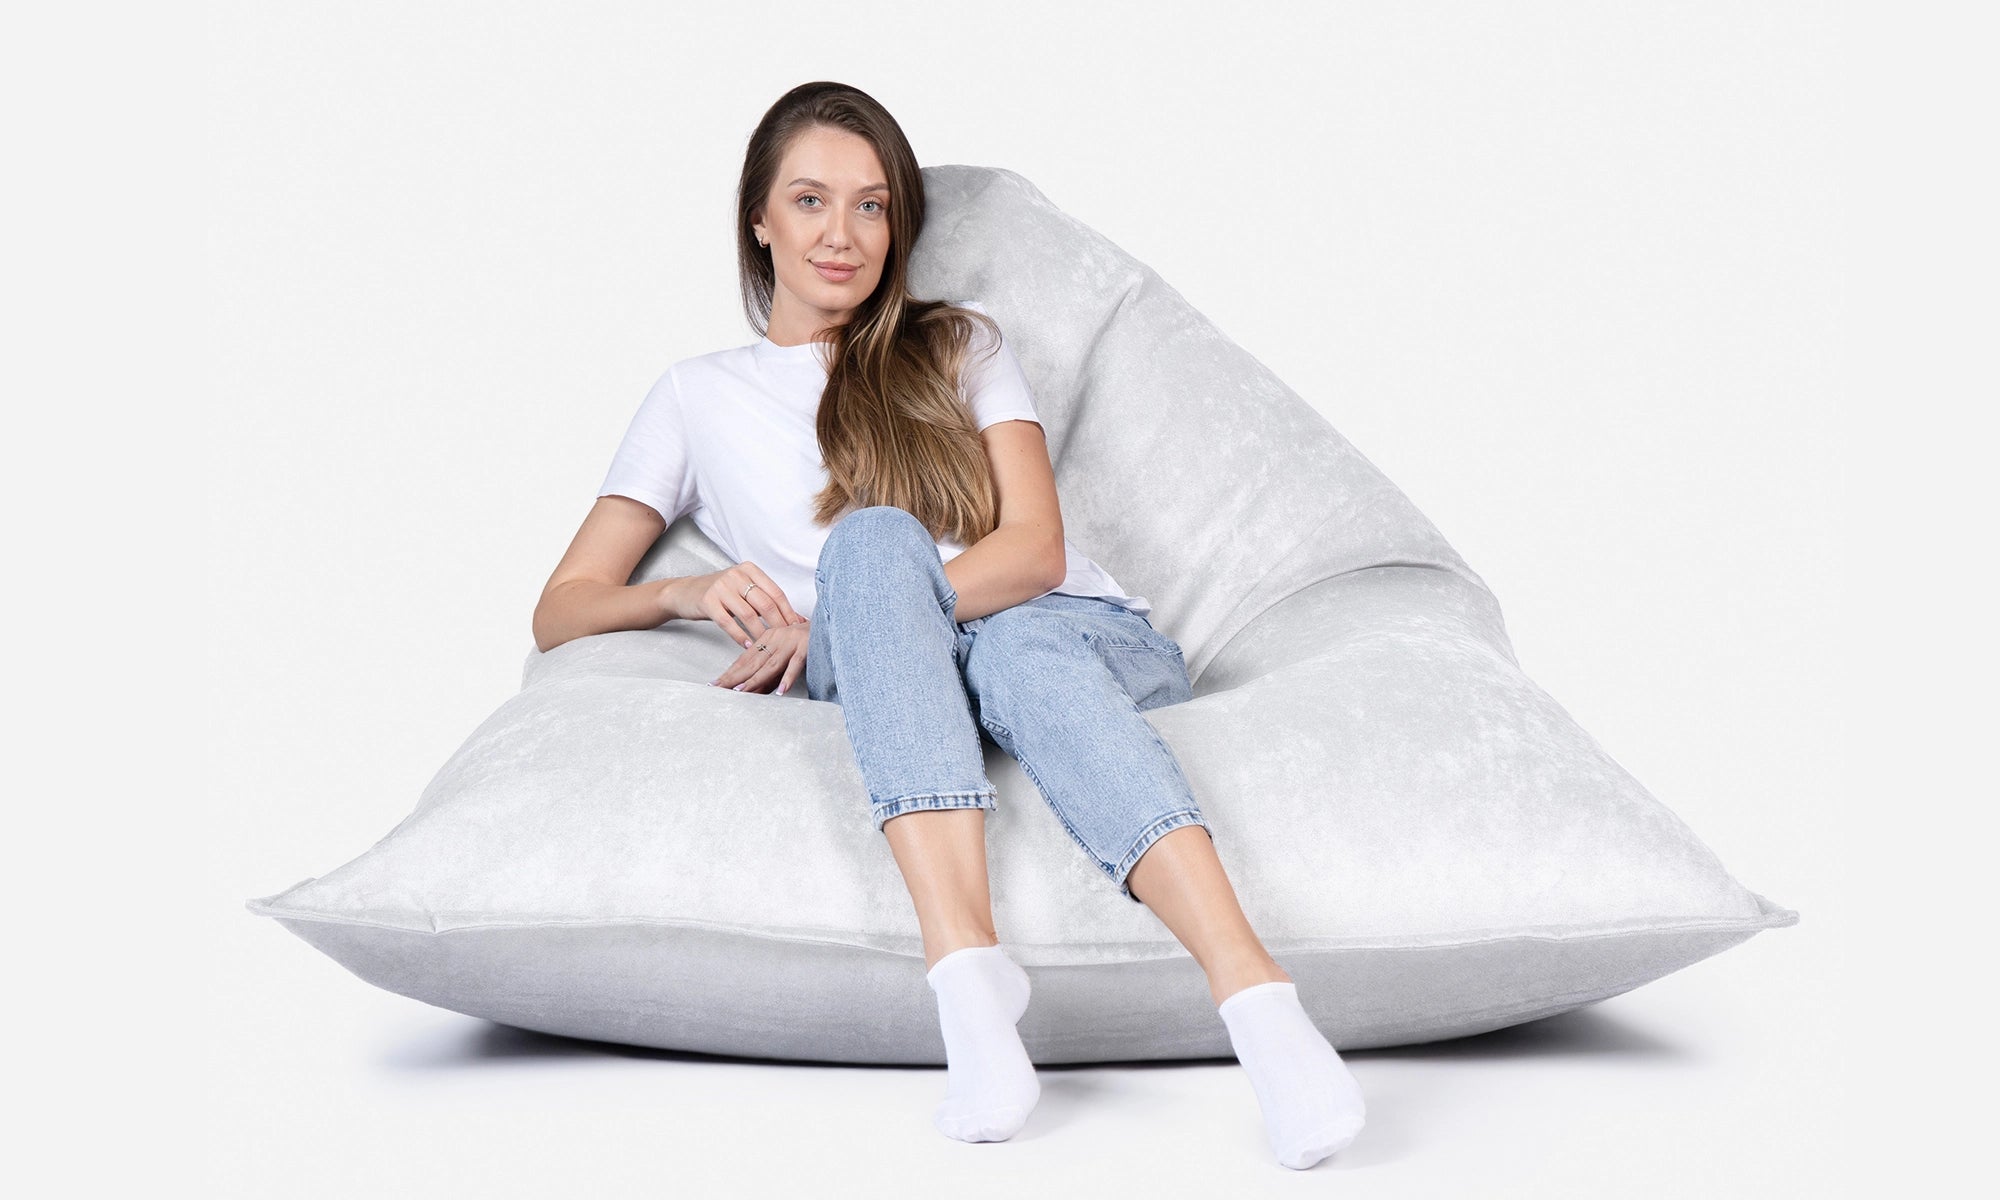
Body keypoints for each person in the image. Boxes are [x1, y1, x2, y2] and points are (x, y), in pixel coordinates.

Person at [531, 81, 1365, 1169]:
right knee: (876, 542)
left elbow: (1035, 552)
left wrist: (851, 608)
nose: (841, 234)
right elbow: (563, 607)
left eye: (871, 205)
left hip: (1067, 633)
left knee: (989, 624)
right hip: (888, 663)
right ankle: (970, 981)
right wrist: (686, 593)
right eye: (810, 200)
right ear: (759, 219)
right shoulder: (694, 396)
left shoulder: (958, 342)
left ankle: (1258, 1004)